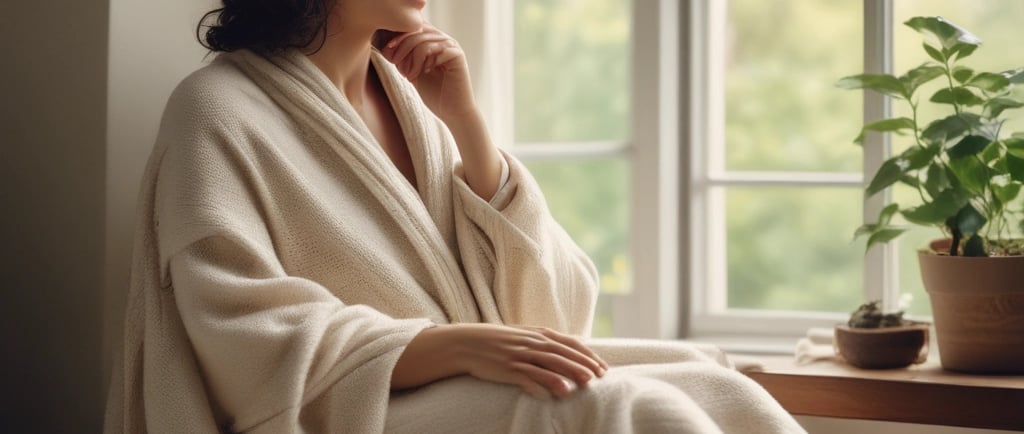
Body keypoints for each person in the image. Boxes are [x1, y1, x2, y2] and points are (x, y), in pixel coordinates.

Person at [104, 0, 805, 433]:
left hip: (455, 392)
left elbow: (551, 313)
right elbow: (237, 333)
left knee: (715, 384)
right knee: (603, 410)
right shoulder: (215, 110)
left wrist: (468, 128)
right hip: (343, 410)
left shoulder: (415, 105)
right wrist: (449, 346)